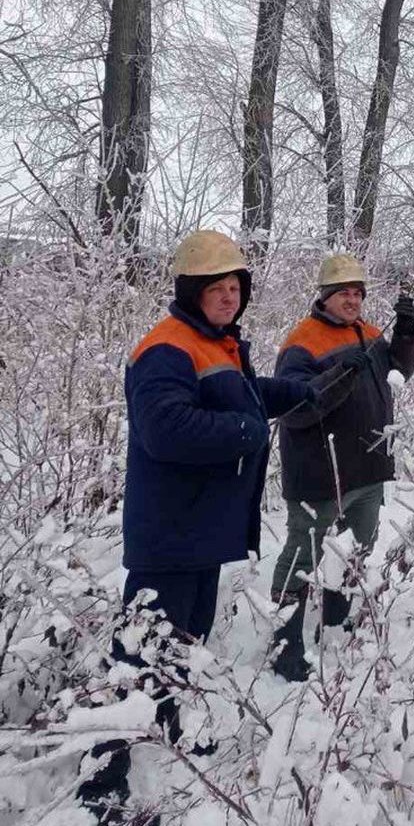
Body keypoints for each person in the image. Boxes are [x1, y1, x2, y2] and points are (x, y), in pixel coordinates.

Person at [77, 230, 316, 823]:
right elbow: (167, 429)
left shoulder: (216, 344)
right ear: (192, 292)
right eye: (217, 288)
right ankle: (101, 777)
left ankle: (172, 722)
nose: (229, 297)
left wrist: (297, 394)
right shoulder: (167, 348)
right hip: (170, 533)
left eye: (236, 287)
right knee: (138, 654)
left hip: (201, 532)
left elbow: (241, 395)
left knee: (186, 642)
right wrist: (248, 431)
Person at [269, 254, 414, 681]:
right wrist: (337, 376)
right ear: (325, 296)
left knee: (357, 549)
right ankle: (285, 643)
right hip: (321, 476)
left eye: (358, 293)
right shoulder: (302, 343)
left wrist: (405, 332)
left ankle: (335, 623)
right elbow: (294, 410)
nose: (353, 300)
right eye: (344, 293)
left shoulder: (368, 332)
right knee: (302, 555)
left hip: (367, 469)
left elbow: (399, 371)